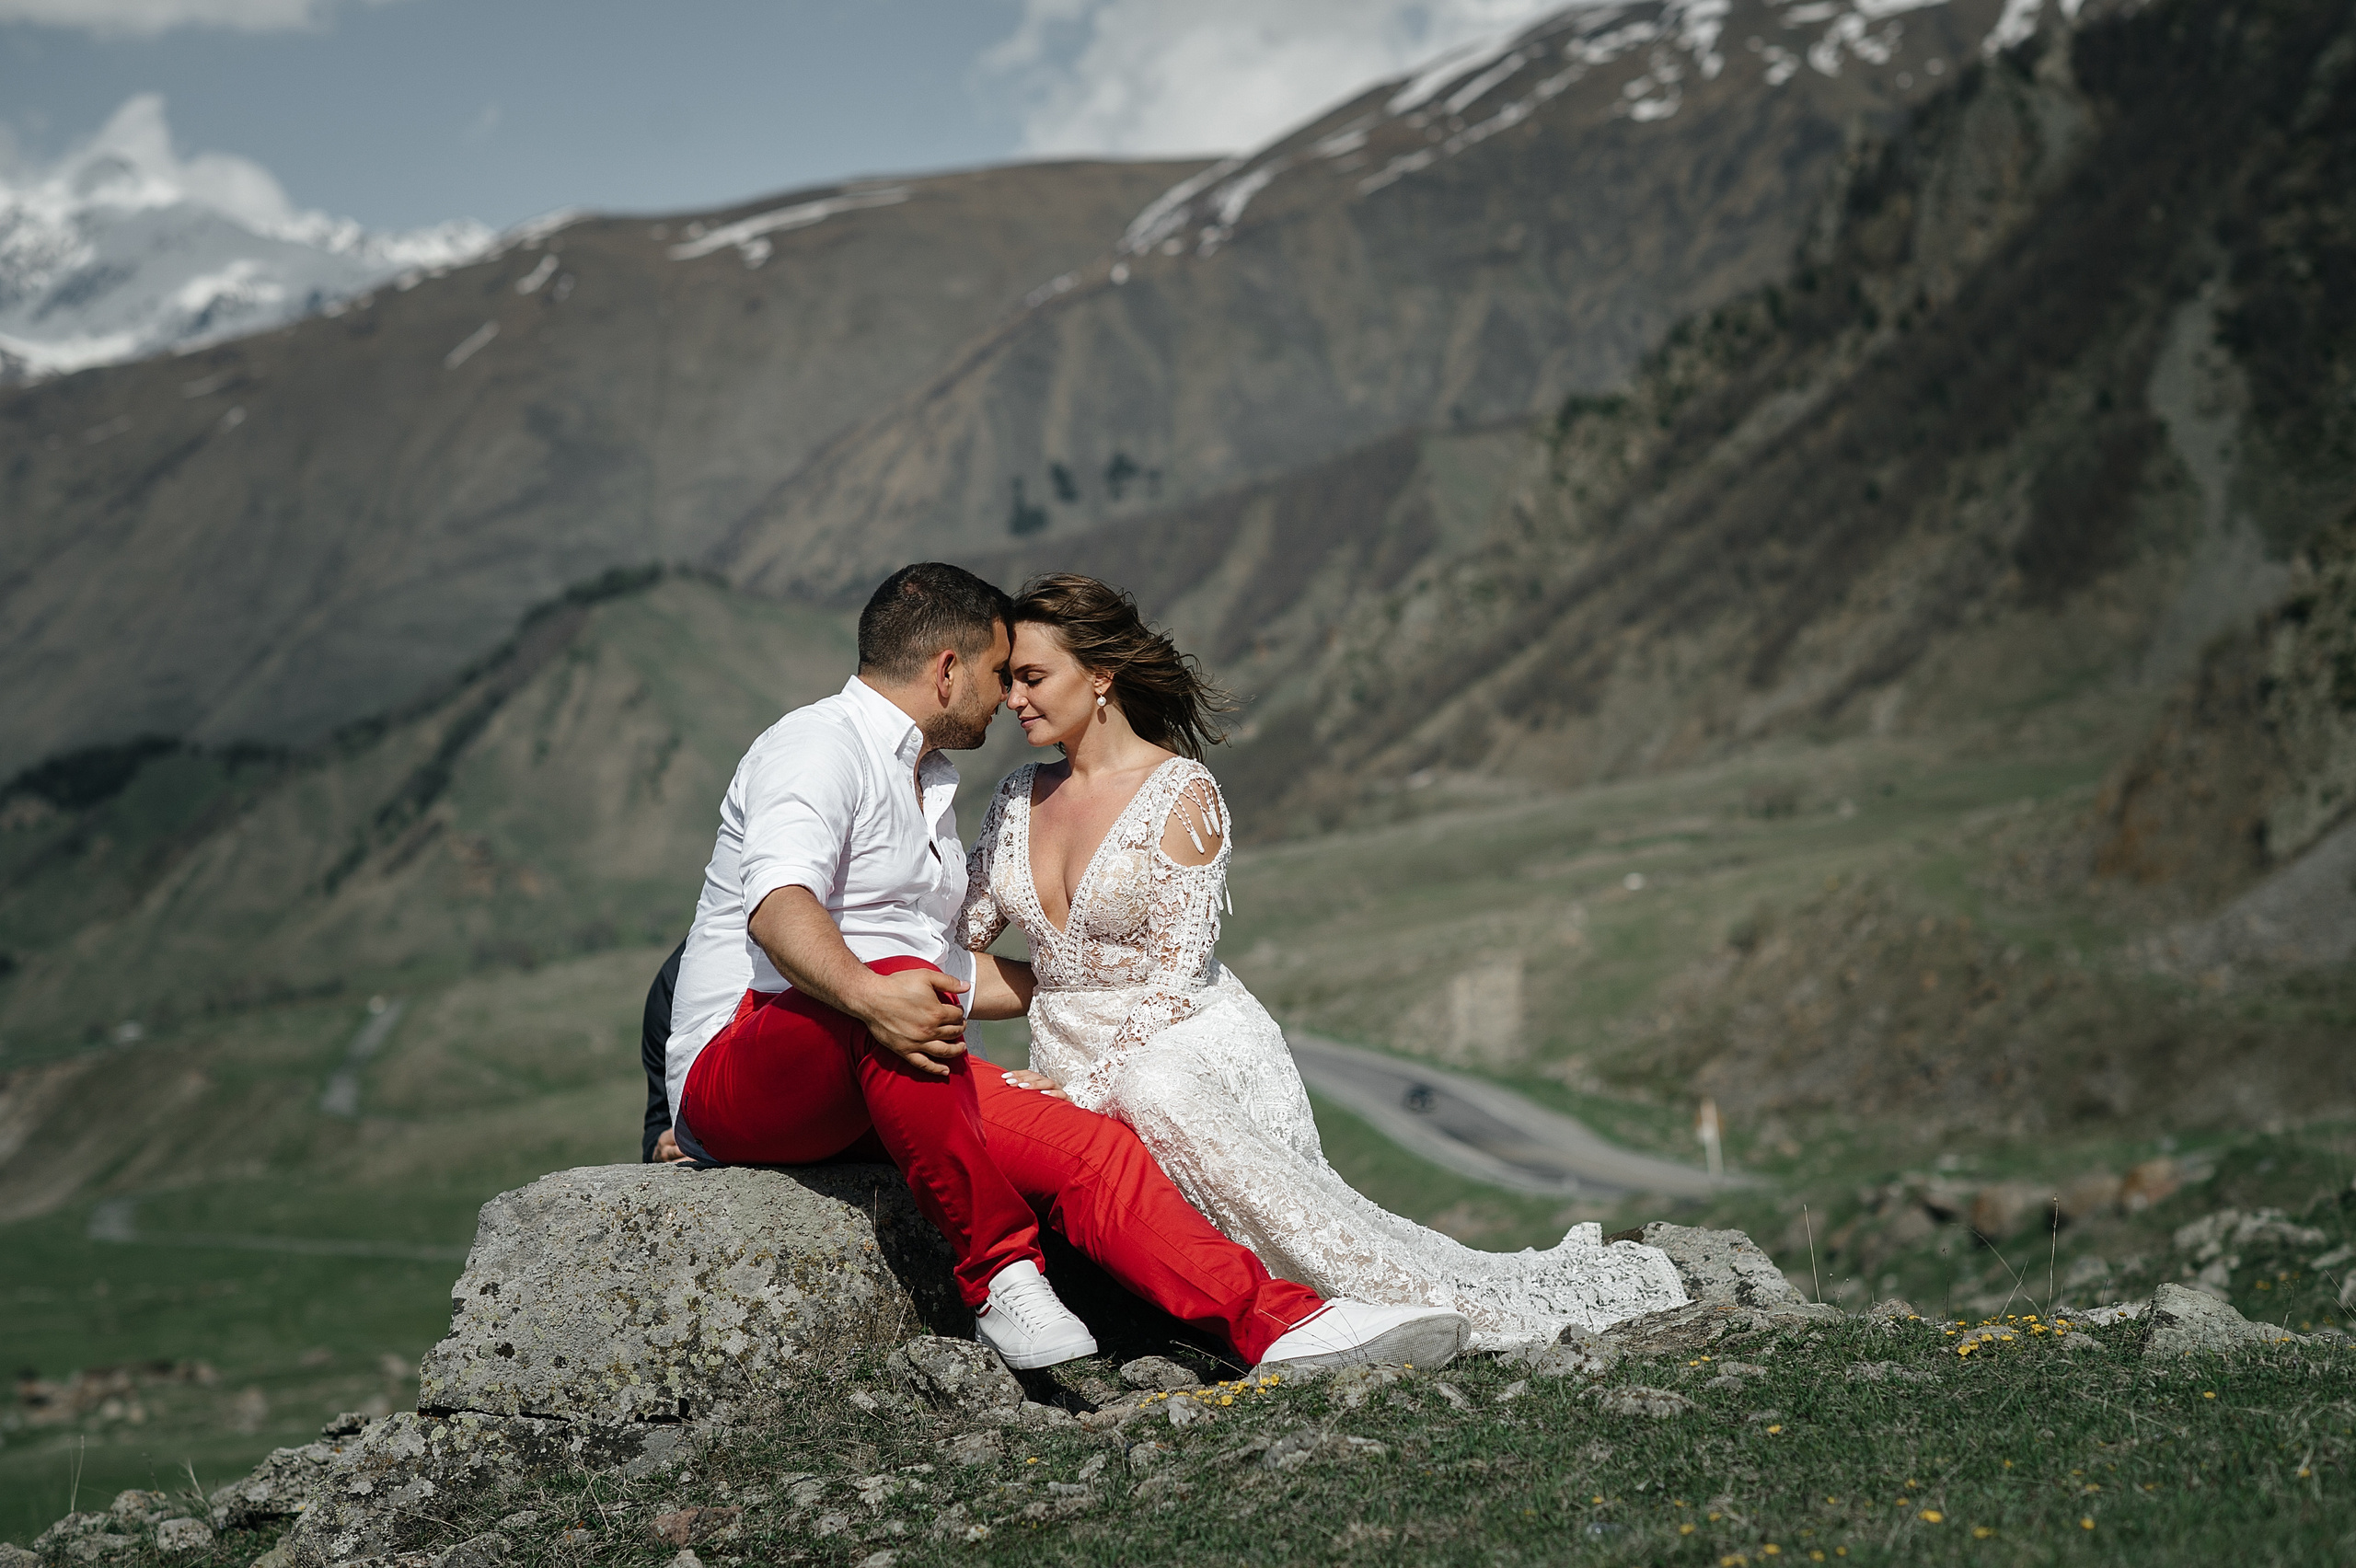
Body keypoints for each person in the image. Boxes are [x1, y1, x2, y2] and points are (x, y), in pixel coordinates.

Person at [659, 561, 1470, 1373]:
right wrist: (874, 994)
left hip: (878, 1067)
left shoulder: (929, 784)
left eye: (1025, 675)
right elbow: (776, 909)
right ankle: (1000, 1276)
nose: (1006, 695)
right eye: (995, 671)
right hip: (747, 1064)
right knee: (897, 988)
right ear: (949, 670)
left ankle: (1281, 1325)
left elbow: (958, 971)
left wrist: (1082, 985)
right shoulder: (814, 746)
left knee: (1092, 1151)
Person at [960, 573, 1692, 1349]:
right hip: (1066, 1048)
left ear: (1100, 675)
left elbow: (1174, 983)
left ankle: (1379, 1310)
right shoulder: (1015, 796)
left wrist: (1082, 1091)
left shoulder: (1182, 795)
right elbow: (963, 936)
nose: (1013, 698)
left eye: (1032, 678)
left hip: (1178, 1043)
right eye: (1008, 681)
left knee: (1154, 1086)